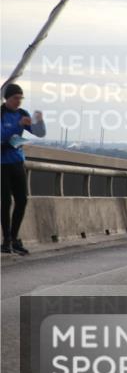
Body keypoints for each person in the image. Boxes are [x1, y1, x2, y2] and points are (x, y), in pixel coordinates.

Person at [1, 83, 46, 255]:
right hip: (2, 164)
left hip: (17, 162)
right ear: (7, 98)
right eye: (15, 98)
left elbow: (39, 133)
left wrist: (39, 121)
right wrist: (16, 126)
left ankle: (14, 237)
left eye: (21, 98)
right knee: (5, 202)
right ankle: (6, 240)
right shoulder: (2, 114)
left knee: (22, 200)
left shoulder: (22, 114)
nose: (18, 102)